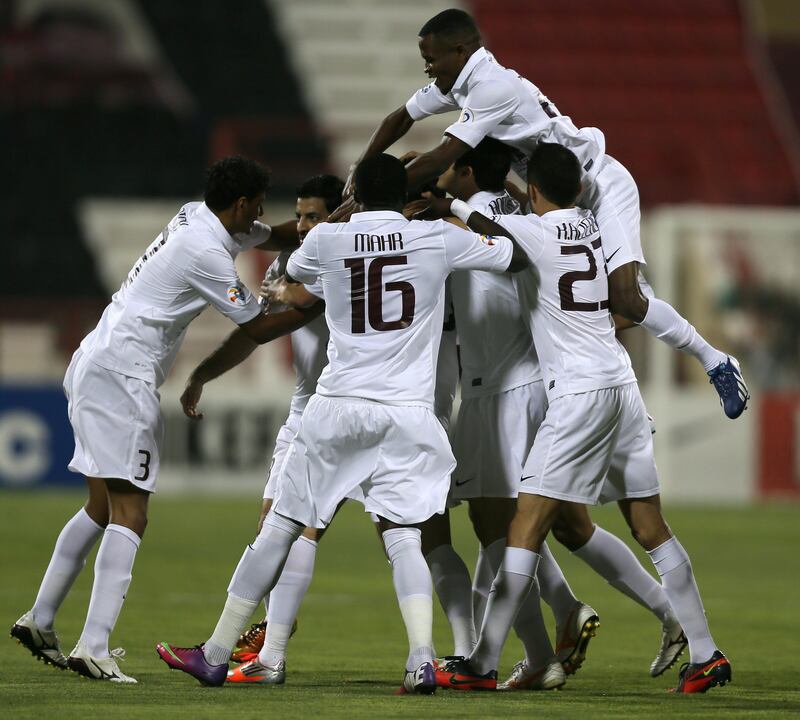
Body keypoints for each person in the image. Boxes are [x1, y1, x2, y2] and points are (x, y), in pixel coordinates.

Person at [155, 153, 529, 694]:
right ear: (406, 194)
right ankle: (422, 658)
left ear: (356, 194)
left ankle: (216, 653)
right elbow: (512, 256)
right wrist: (454, 211)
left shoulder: (327, 241)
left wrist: (343, 215)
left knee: (282, 525)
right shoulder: (436, 238)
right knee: (405, 536)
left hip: (338, 406)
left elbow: (298, 271)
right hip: (407, 412)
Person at [343, 8, 749, 421]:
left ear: (461, 50)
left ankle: (716, 361)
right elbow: (399, 118)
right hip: (553, 199)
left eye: (432, 57)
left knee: (626, 299)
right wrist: (362, 167)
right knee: (583, 305)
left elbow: (443, 156)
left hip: (597, 184)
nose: (427, 66)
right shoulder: (460, 85)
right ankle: (614, 396)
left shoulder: (490, 87)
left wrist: (370, 194)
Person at [435, 143, 731, 694]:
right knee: (650, 527)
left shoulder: (536, 232)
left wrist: (446, 203)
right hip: (621, 385)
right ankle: (706, 651)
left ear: (535, 189)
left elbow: (487, 229)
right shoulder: (597, 227)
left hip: (577, 394)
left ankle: (482, 662)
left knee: (523, 528)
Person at [10, 157, 319, 684]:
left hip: (96, 361)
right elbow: (261, 327)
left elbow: (276, 233)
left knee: (102, 505)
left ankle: (40, 618)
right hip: (123, 377)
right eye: (259, 206)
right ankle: (94, 646)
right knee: (132, 512)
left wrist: (333, 221)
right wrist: (318, 302)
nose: (263, 217)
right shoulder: (206, 254)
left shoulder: (197, 215)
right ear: (241, 204)